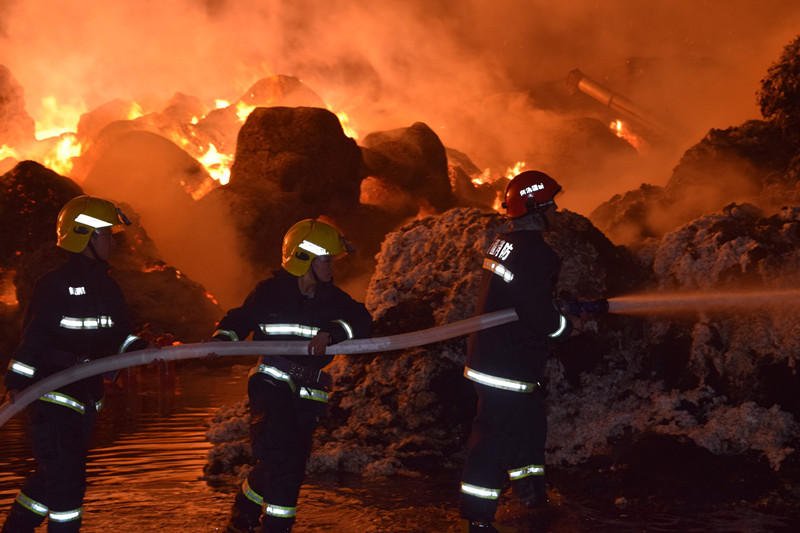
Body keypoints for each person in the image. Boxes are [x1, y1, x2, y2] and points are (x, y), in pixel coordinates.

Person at [213, 218, 371, 533]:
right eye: (326, 259)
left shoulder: (331, 298)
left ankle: (242, 515)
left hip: (308, 392)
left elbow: (363, 320)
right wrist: (222, 337)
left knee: (288, 466)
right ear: (304, 259)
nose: (331, 267)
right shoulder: (270, 292)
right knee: (281, 462)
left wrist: (334, 333)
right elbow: (242, 318)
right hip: (271, 383)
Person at [2, 195, 146, 532]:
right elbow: (33, 338)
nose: (112, 240)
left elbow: (119, 334)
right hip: (53, 398)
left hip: (85, 399)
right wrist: (16, 383)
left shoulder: (108, 287)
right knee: (68, 484)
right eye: (107, 234)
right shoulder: (54, 285)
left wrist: (141, 349)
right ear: (86, 236)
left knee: (54, 475)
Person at [459, 171, 572, 532]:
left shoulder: (504, 243)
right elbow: (536, 311)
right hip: (508, 363)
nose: (556, 210)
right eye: (550, 204)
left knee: (528, 428)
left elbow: (518, 295)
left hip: (492, 356)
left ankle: (531, 496)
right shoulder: (538, 253)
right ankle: (478, 519)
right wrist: (562, 325)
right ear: (536, 208)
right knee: (494, 439)